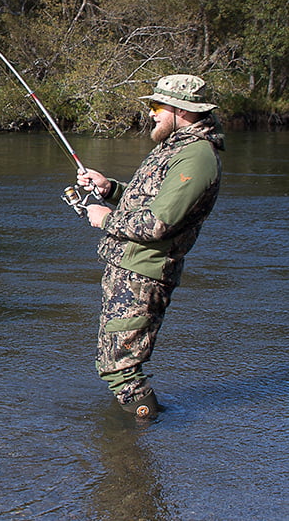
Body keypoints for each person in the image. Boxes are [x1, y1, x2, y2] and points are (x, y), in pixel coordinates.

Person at [77, 74, 225, 419]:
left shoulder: (197, 157)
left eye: (157, 106)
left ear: (183, 111)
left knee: (121, 368)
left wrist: (106, 220)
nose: (151, 113)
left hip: (145, 272)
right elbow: (153, 200)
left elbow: (160, 223)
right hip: (130, 266)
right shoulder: (177, 146)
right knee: (114, 361)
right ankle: (135, 446)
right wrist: (109, 189)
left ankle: (142, 441)